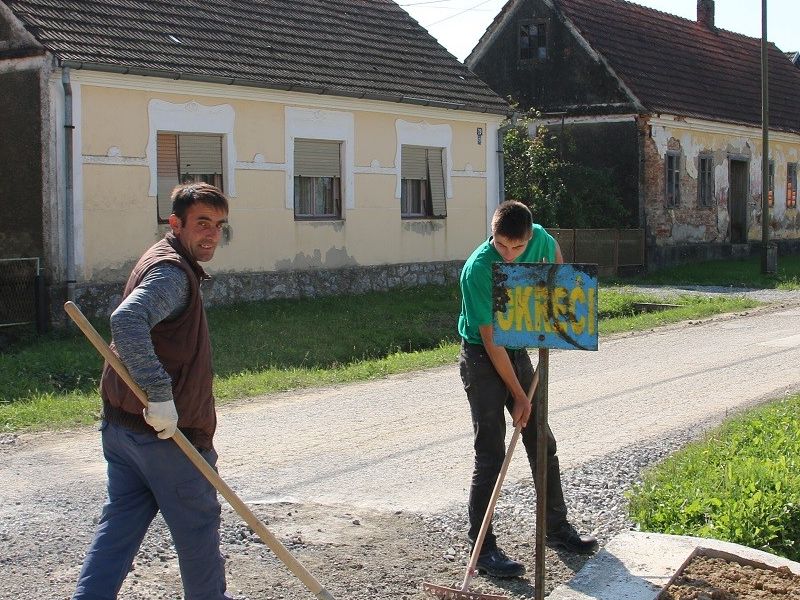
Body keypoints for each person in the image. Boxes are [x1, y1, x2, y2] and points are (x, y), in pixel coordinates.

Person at [73, 182, 232, 600]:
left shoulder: (161, 257)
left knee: (120, 523)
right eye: (202, 223)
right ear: (175, 223)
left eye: (219, 225)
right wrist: (160, 394)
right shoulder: (172, 273)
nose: (212, 234)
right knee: (197, 530)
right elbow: (127, 320)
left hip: (122, 427)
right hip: (166, 438)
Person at [457, 200, 598, 578]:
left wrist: (552, 316)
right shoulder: (478, 269)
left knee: (541, 441)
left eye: (517, 247)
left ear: (529, 236)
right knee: (490, 452)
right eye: (501, 245)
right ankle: (482, 548)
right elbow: (491, 341)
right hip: (483, 356)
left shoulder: (542, 239)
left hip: (517, 344)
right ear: (492, 233)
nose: (509, 254)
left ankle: (556, 529)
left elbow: (558, 273)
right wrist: (519, 396)